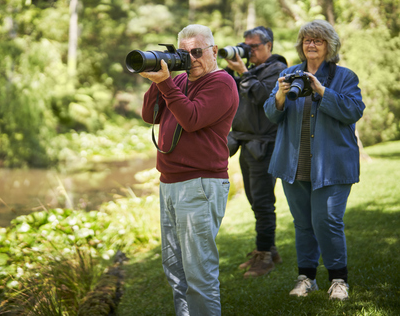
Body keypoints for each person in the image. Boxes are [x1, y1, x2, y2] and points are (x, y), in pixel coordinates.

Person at [140, 24, 239, 315]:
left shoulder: (221, 82)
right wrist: (157, 78)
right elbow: (150, 115)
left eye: (197, 52)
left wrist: (167, 84)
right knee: (175, 269)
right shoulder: (178, 81)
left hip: (200, 183)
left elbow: (192, 118)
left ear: (214, 51)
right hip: (171, 183)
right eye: (184, 54)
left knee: (198, 272)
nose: (191, 59)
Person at [264, 20, 365, 300]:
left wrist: (322, 91)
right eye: (307, 40)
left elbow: (353, 111)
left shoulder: (345, 77)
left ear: (329, 46)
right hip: (294, 165)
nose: (311, 44)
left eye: (318, 40)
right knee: (303, 223)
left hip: (332, 165)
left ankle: (339, 280)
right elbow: (271, 114)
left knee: (327, 220)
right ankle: (306, 278)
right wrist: (281, 96)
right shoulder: (288, 74)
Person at [225, 26, 288, 278]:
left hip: (265, 144)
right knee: (253, 199)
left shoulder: (278, 70)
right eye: (245, 46)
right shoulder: (249, 70)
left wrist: (243, 72)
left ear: (269, 46)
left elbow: (267, 99)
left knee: (262, 202)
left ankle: (265, 259)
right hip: (244, 142)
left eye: (254, 46)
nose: (249, 51)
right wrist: (232, 69)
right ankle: (269, 250)